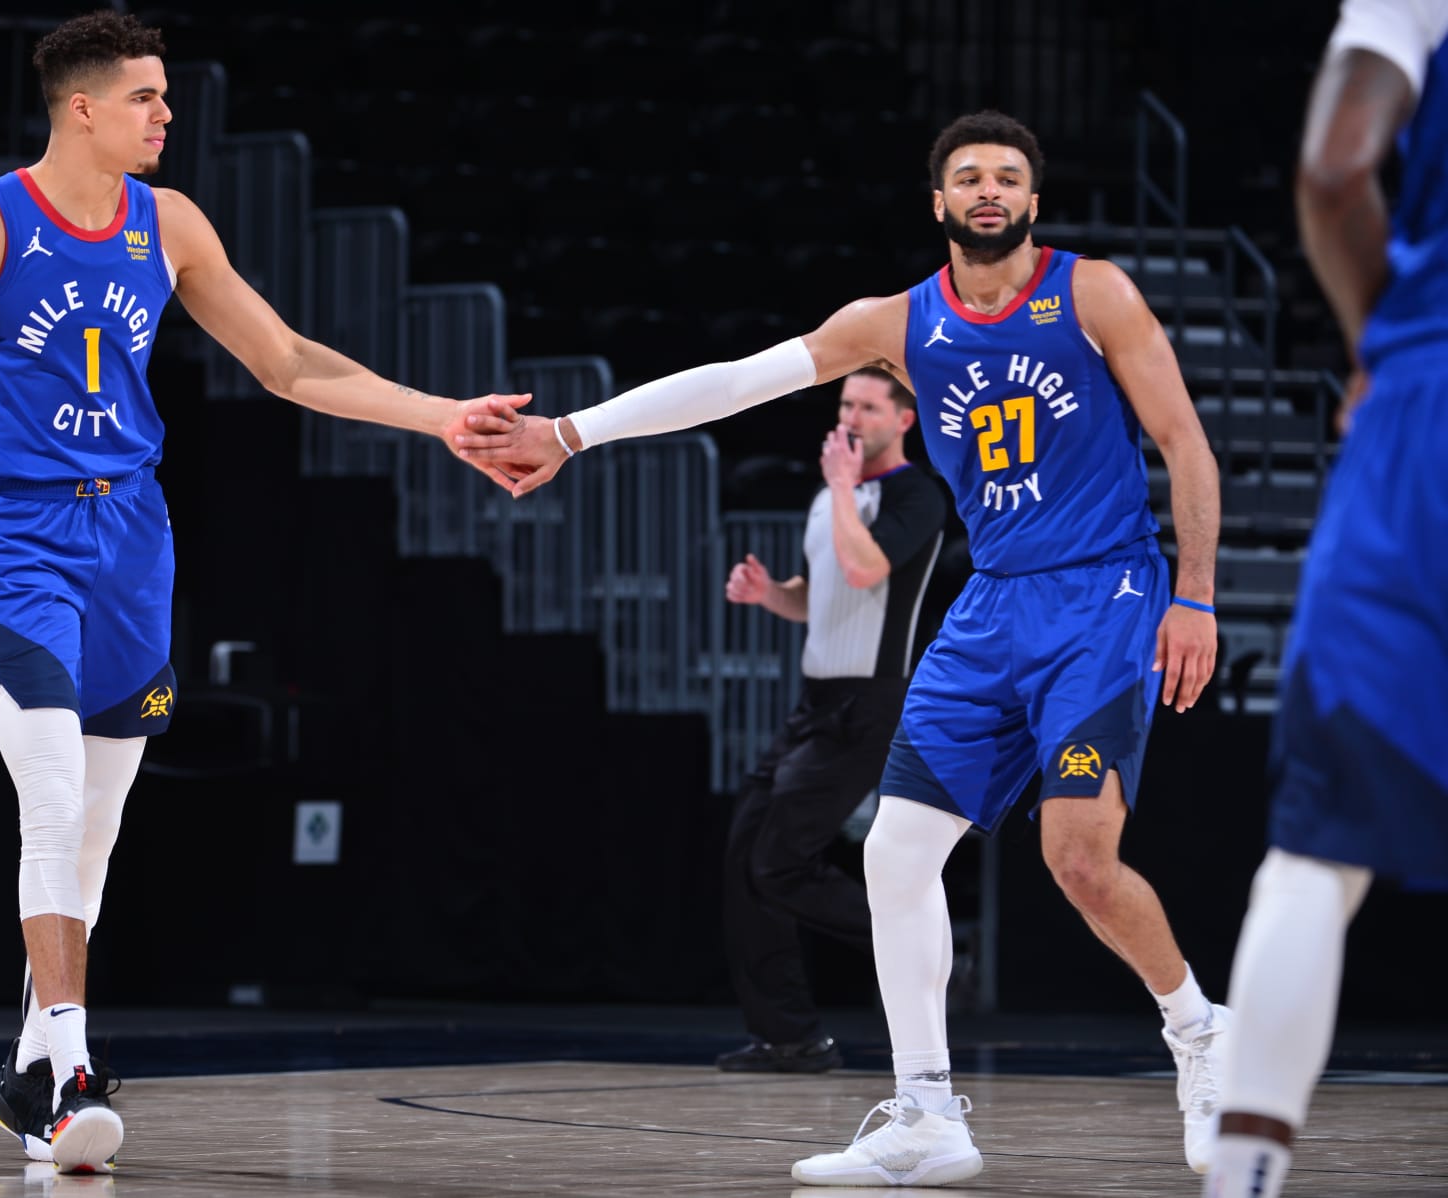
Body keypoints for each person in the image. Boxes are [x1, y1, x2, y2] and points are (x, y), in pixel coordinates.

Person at [0, 12, 526, 1175]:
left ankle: (28, 1084)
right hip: (14, 529)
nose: (167, 114)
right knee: (54, 783)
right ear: (82, 106)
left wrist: (440, 418)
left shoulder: (168, 225)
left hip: (131, 530)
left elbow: (286, 361)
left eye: (165, 96)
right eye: (146, 97)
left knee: (101, 820)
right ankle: (69, 1062)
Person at [466, 110, 1228, 1186]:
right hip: (992, 605)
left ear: (1034, 200)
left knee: (1077, 859)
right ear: (940, 203)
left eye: (1009, 176)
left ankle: (1197, 1029)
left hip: (1103, 592)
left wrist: (1193, 594)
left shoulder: (1090, 291)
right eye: (970, 176)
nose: (990, 190)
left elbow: (1185, 440)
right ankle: (928, 1114)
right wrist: (569, 432)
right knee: (894, 857)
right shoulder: (895, 321)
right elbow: (735, 379)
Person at [1204, 5, 1448, 1197]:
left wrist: (1379, 350)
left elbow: (1336, 169)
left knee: (1315, 851)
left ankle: (1243, 1179)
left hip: (1430, 406)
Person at [718, 367, 946, 1075]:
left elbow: (864, 571)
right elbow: (819, 597)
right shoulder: (832, 497)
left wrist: (845, 488)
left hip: (870, 704)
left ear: (903, 419)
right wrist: (770, 595)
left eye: (869, 406)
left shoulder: (916, 495)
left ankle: (932, 948)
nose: (852, 416)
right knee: (744, 860)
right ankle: (789, 1035)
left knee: (780, 863)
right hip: (814, 702)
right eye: (846, 402)